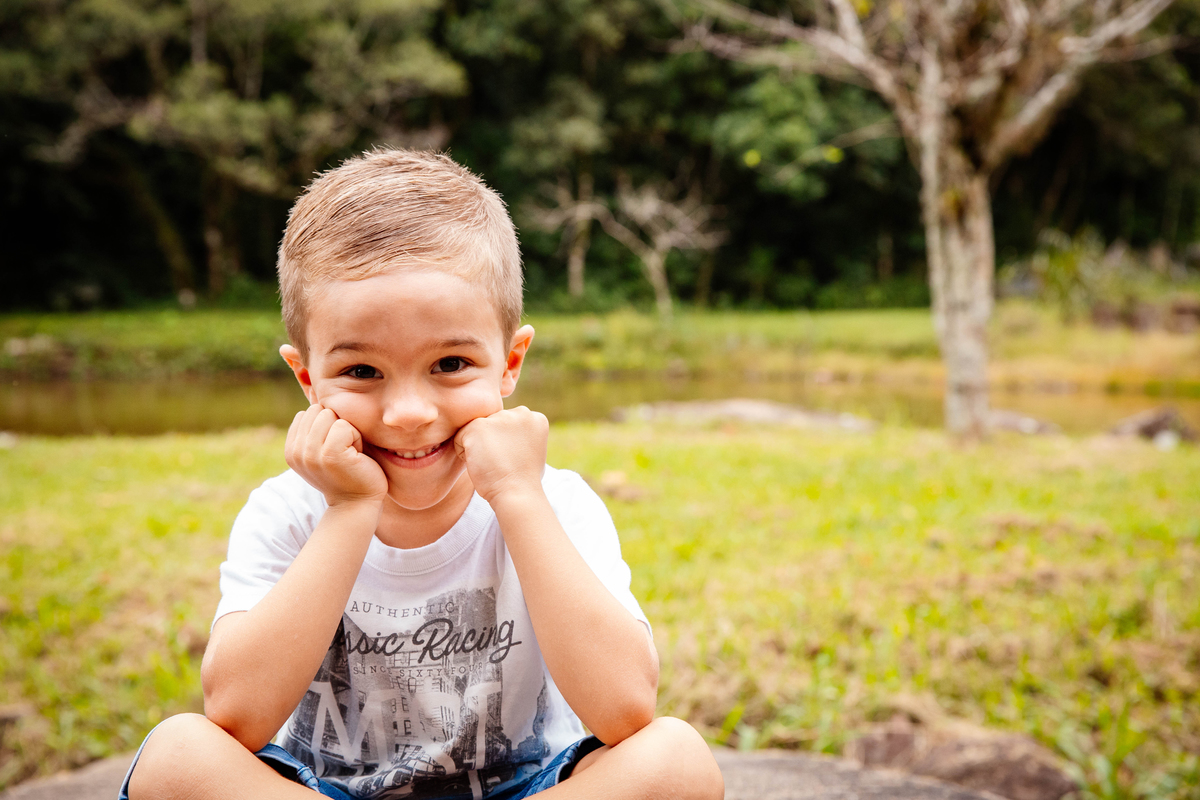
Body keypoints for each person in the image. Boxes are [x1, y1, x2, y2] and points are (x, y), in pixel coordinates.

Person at [120, 149, 724, 800]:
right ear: (306, 377)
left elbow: (626, 710)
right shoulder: (287, 513)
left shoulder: (555, 502)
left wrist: (518, 496)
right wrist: (350, 511)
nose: (409, 414)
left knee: (677, 760)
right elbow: (237, 716)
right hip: (323, 791)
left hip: (525, 788)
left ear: (509, 362)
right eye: (361, 372)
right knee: (177, 757)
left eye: (451, 364)